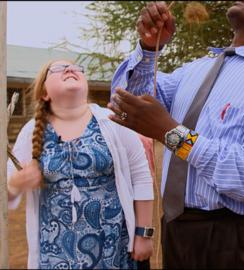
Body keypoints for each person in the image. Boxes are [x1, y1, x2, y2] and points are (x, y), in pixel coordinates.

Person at [107, 1, 244, 268]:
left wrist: (171, 133)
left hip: (234, 237)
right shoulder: (195, 69)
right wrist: (150, 47)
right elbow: (126, 101)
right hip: (177, 227)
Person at [7, 60, 154, 269]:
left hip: (113, 252)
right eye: (57, 69)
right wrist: (16, 184)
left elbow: (141, 176)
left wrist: (144, 234)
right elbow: (6, 194)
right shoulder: (30, 132)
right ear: (45, 94)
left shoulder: (113, 121)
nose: (70, 69)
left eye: (76, 68)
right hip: (55, 256)